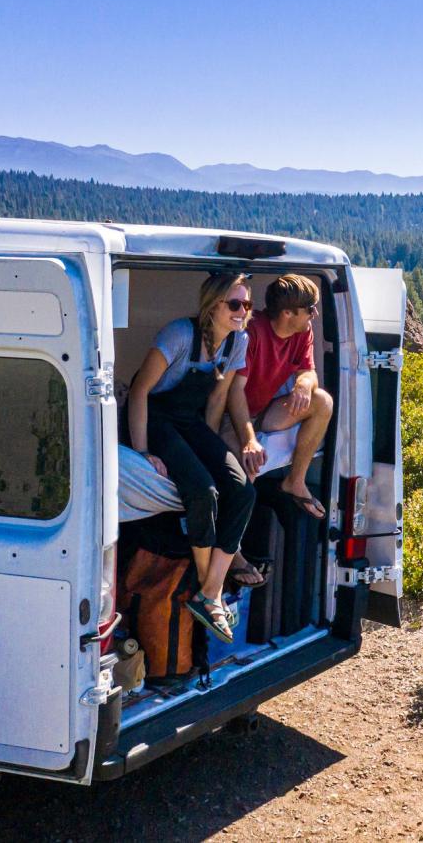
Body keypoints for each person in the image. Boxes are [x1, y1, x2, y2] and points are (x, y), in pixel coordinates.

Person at [126, 272, 261, 642]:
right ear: (211, 305)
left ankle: (210, 591)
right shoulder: (179, 335)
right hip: (154, 417)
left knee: (243, 490)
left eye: (247, 305)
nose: (242, 311)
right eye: (234, 304)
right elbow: (139, 393)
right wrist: (142, 452)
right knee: (203, 491)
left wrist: (212, 448)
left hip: (189, 420)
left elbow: (216, 400)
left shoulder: (239, 340)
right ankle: (208, 588)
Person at [229, 274, 333, 518]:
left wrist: (304, 385)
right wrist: (249, 441)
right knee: (248, 471)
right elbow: (234, 393)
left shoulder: (302, 330)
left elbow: (308, 372)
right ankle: (233, 553)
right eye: (309, 309)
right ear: (287, 313)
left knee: (323, 402)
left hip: (263, 410)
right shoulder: (252, 331)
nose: (314, 314)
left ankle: (295, 481)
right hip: (232, 414)